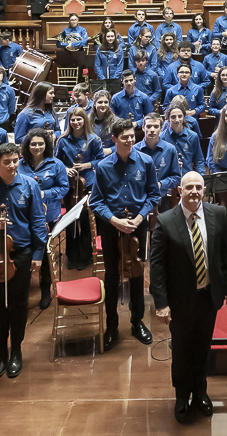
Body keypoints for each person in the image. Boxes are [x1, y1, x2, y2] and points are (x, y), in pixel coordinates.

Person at [149, 170, 227, 422]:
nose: (195, 192)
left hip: (209, 296)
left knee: (202, 347)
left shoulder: (218, 214)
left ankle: (200, 391)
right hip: (180, 300)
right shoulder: (166, 221)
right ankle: (181, 395)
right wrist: (161, 303)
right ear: (180, 190)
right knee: (182, 350)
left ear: (204, 190)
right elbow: (157, 267)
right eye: (189, 188)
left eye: (199, 187)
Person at [0, 143, 47, 379]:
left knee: (19, 303)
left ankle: (16, 350)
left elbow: (37, 221)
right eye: (7, 162)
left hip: (21, 253)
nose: (12, 165)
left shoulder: (30, 185)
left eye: (15, 160)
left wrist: (38, 255)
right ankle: (0, 352)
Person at [90, 118, 160, 350]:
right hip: (112, 226)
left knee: (137, 274)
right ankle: (111, 325)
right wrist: (115, 220)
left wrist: (139, 218)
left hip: (137, 225)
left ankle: (137, 321)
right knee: (112, 275)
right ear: (114, 139)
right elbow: (96, 201)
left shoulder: (146, 162)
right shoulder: (103, 166)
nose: (131, 140)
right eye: (125, 137)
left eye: (132, 136)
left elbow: (153, 195)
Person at [19, 128, 69, 309]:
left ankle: (45, 290)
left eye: (41, 143)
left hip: (49, 216)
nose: (37, 147)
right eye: (33, 144)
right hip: (25, 217)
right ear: (27, 146)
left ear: (46, 145)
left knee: (47, 255)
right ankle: (23, 291)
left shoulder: (56, 164)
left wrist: (43, 193)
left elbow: (64, 188)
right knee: (25, 253)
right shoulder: (20, 165)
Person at [56, 107, 105, 270]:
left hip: (88, 184)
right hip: (71, 185)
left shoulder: (93, 139)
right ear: (69, 121)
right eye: (73, 119)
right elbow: (57, 162)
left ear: (85, 120)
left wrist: (87, 164)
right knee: (71, 220)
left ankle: (84, 256)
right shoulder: (63, 140)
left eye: (79, 119)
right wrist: (64, 168)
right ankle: (72, 256)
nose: (76, 122)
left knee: (85, 220)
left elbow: (101, 160)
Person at [135, 113, 181, 209]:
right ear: (143, 128)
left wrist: (160, 184)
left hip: (162, 198)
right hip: (139, 199)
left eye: (156, 127)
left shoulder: (170, 149)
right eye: (148, 126)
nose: (152, 130)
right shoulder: (134, 150)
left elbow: (176, 177)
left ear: (161, 129)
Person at [161, 101, 206, 175]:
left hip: (187, 179)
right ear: (168, 118)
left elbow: (199, 161)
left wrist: (201, 177)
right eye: (173, 117)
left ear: (184, 117)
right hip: (168, 180)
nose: (177, 120)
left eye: (180, 116)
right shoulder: (161, 138)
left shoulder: (193, 136)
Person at [56, 13, 88, 83]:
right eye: (72, 20)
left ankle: (79, 88)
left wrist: (72, 44)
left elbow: (85, 42)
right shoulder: (65, 31)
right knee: (69, 72)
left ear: (78, 20)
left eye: (75, 20)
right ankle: (70, 88)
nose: (73, 21)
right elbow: (58, 44)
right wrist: (67, 44)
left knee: (79, 73)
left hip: (79, 52)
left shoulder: (82, 30)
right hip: (68, 53)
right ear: (69, 21)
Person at [94, 30, 125, 94]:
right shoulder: (100, 49)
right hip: (102, 79)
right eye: (108, 36)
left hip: (115, 80)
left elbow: (120, 66)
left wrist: (113, 79)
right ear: (105, 37)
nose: (110, 38)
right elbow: (97, 65)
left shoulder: (119, 50)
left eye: (112, 36)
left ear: (115, 37)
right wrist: (102, 77)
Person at [90, 90, 117, 155]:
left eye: (106, 102)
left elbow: (122, 143)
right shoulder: (87, 121)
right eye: (100, 102)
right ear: (94, 103)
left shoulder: (116, 121)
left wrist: (110, 150)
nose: (103, 105)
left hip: (110, 156)